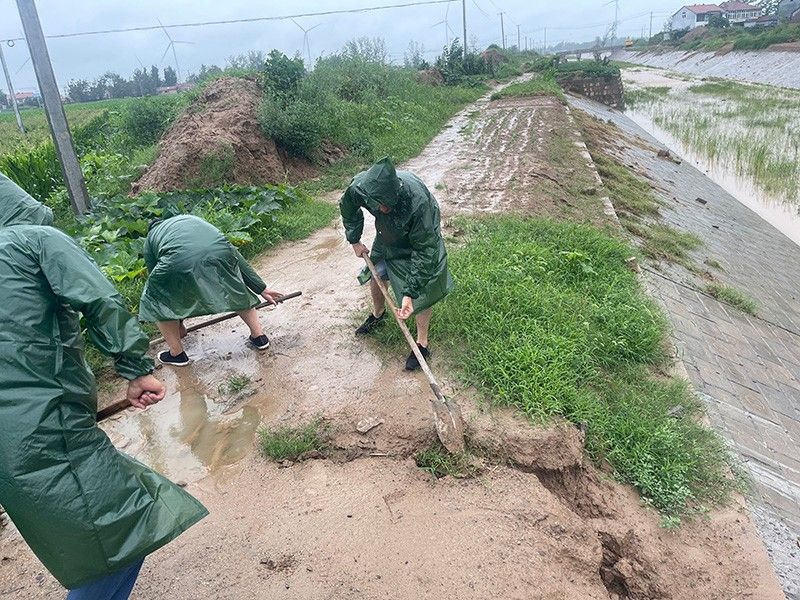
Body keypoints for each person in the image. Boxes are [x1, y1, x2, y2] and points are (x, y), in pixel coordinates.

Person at [0, 173, 207, 599]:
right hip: (41, 427)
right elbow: (100, 301)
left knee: (67, 524)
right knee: (117, 530)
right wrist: (135, 369)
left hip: (12, 439)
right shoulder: (31, 241)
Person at [339, 157, 454, 370]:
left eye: (387, 204)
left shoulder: (418, 203)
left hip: (419, 235)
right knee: (378, 273)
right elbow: (348, 208)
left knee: (425, 287)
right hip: (388, 231)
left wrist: (409, 293)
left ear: (397, 194)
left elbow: (424, 250)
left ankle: (421, 343)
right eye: (378, 204)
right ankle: (378, 314)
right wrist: (354, 239)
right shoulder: (360, 188)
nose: (382, 208)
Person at [139, 215, 284, 366]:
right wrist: (261, 288)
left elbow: (163, 286)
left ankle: (177, 354)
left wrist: (179, 322)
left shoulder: (151, 238)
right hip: (219, 250)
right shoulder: (189, 219)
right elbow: (235, 256)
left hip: (177, 260)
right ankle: (259, 337)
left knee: (158, 298)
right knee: (234, 286)